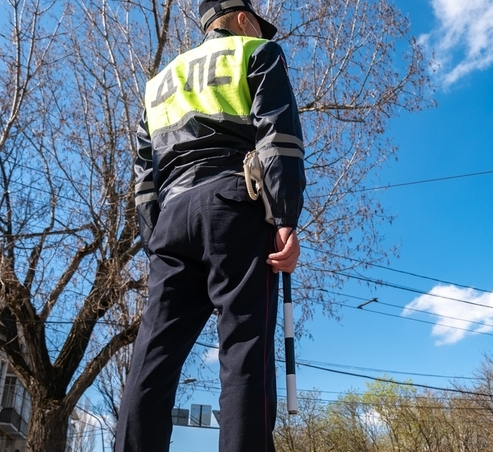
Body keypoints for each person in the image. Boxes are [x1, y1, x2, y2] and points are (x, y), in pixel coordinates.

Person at [115, 0, 305, 451]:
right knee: (244, 351)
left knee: (152, 359)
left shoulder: (157, 84)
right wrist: (285, 218)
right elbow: (279, 138)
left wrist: (155, 241)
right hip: (232, 204)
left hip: (170, 220)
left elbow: (144, 181)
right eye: (258, 24)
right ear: (242, 19)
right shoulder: (256, 52)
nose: (262, 31)